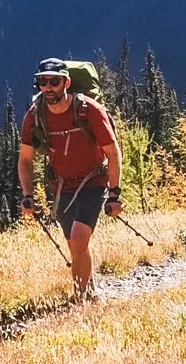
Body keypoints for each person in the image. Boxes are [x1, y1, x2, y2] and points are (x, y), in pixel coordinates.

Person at [18, 57, 121, 299]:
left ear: (67, 82)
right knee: (74, 245)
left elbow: (113, 152)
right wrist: (27, 195)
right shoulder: (35, 115)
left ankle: (81, 298)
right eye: (42, 82)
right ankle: (89, 291)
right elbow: (25, 158)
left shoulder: (89, 111)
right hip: (61, 186)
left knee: (78, 238)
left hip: (93, 181)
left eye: (54, 81)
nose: (48, 87)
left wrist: (115, 193)